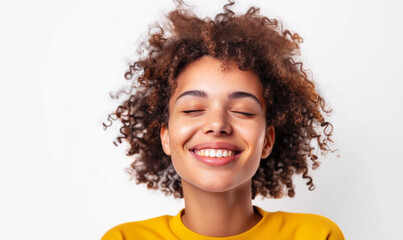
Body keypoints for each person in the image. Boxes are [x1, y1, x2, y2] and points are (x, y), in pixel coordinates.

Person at [101, 0, 344, 239]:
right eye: (193, 109)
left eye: (243, 111)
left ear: (267, 141)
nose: (217, 124)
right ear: (165, 137)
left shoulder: (317, 235)